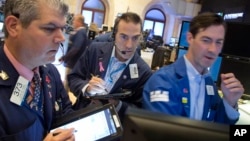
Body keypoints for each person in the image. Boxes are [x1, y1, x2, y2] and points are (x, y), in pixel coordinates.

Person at [143, 12, 244, 124]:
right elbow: (163, 133)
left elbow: (220, 129)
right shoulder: (162, 81)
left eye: (218, 42)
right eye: (206, 40)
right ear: (190, 38)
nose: (213, 49)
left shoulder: (208, 82)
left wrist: (230, 101)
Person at [0, 0, 75, 140]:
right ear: (13, 26)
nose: (61, 38)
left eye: (62, 29)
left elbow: (66, 114)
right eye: (49, 28)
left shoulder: (50, 72)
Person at [67, 12, 152, 121]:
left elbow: (140, 111)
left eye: (135, 38)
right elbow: (74, 78)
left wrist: (117, 105)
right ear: (114, 35)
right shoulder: (95, 50)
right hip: (82, 116)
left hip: (113, 129)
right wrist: (87, 88)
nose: (129, 45)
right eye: (124, 37)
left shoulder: (144, 72)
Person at [59, 14, 89, 93]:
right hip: (73, 62)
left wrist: (65, 58)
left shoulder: (81, 33)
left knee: (67, 82)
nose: (73, 22)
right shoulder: (80, 32)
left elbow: (76, 48)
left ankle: (63, 101)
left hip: (74, 63)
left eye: (74, 20)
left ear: (79, 22)